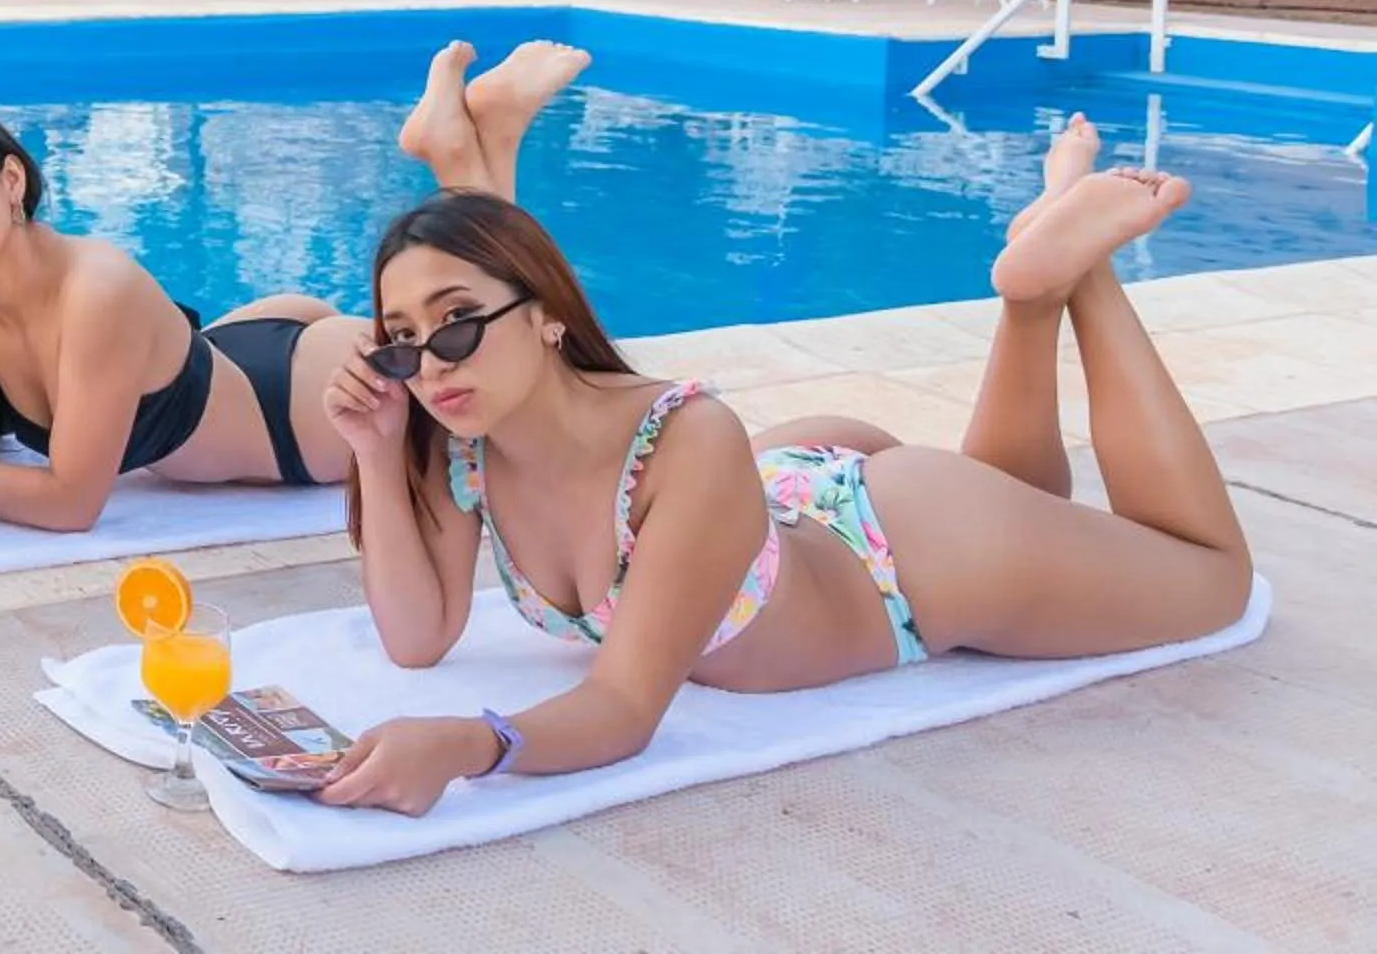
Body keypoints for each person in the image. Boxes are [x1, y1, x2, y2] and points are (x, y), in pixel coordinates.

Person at [310, 40, 1256, 815]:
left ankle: (1083, 271)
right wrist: (377, 451)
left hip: (910, 554)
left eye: (456, 324)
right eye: (401, 340)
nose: (431, 363)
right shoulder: (465, 443)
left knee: (1210, 575)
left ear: (550, 315)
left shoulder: (685, 435)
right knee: (1033, 498)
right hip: (793, 499)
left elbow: (625, 707)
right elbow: (416, 638)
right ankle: (1035, 286)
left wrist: (469, 745)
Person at [0, 59, 585, 583]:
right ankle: (486, 137)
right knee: (474, 336)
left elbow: (71, 503)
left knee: (483, 354)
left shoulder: (93, 290)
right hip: (226, 358)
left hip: (297, 411)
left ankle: (466, 155)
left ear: (12, 180)